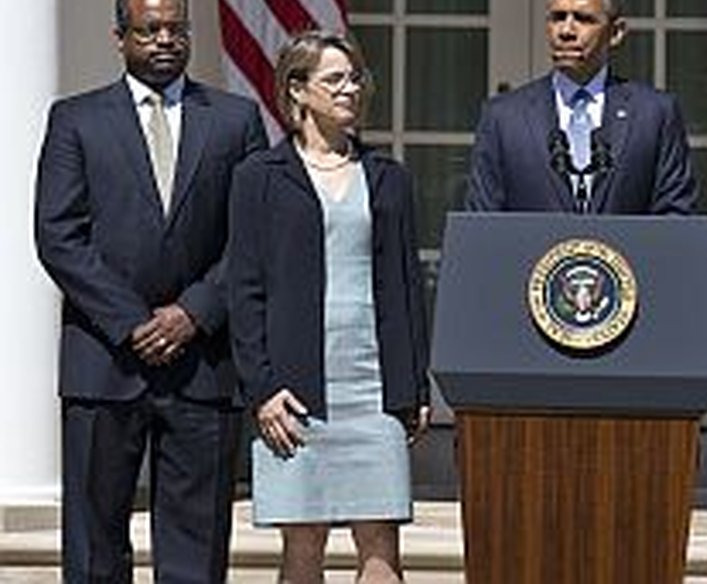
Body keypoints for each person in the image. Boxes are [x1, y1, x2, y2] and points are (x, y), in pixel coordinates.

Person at [33, 0, 267, 580]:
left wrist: (194, 312)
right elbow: (58, 235)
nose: (164, 40)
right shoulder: (75, 119)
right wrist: (134, 323)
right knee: (95, 548)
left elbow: (256, 233)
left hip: (203, 366)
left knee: (196, 547)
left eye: (175, 30)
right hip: (104, 362)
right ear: (120, 38)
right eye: (149, 30)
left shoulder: (236, 120)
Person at [227, 30, 431, 584]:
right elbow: (243, 291)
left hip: (373, 388)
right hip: (293, 392)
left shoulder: (388, 178)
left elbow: (406, 288)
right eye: (334, 79)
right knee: (304, 542)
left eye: (355, 78)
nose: (350, 89)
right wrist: (261, 388)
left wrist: (412, 386)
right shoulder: (257, 179)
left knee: (381, 542)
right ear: (298, 91)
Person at [465, 0, 697, 214]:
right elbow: (482, 221)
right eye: (557, 17)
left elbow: (675, 216)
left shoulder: (654, 114)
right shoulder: (503, 117)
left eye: (583, 19)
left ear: (616, 33)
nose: (566, 31)